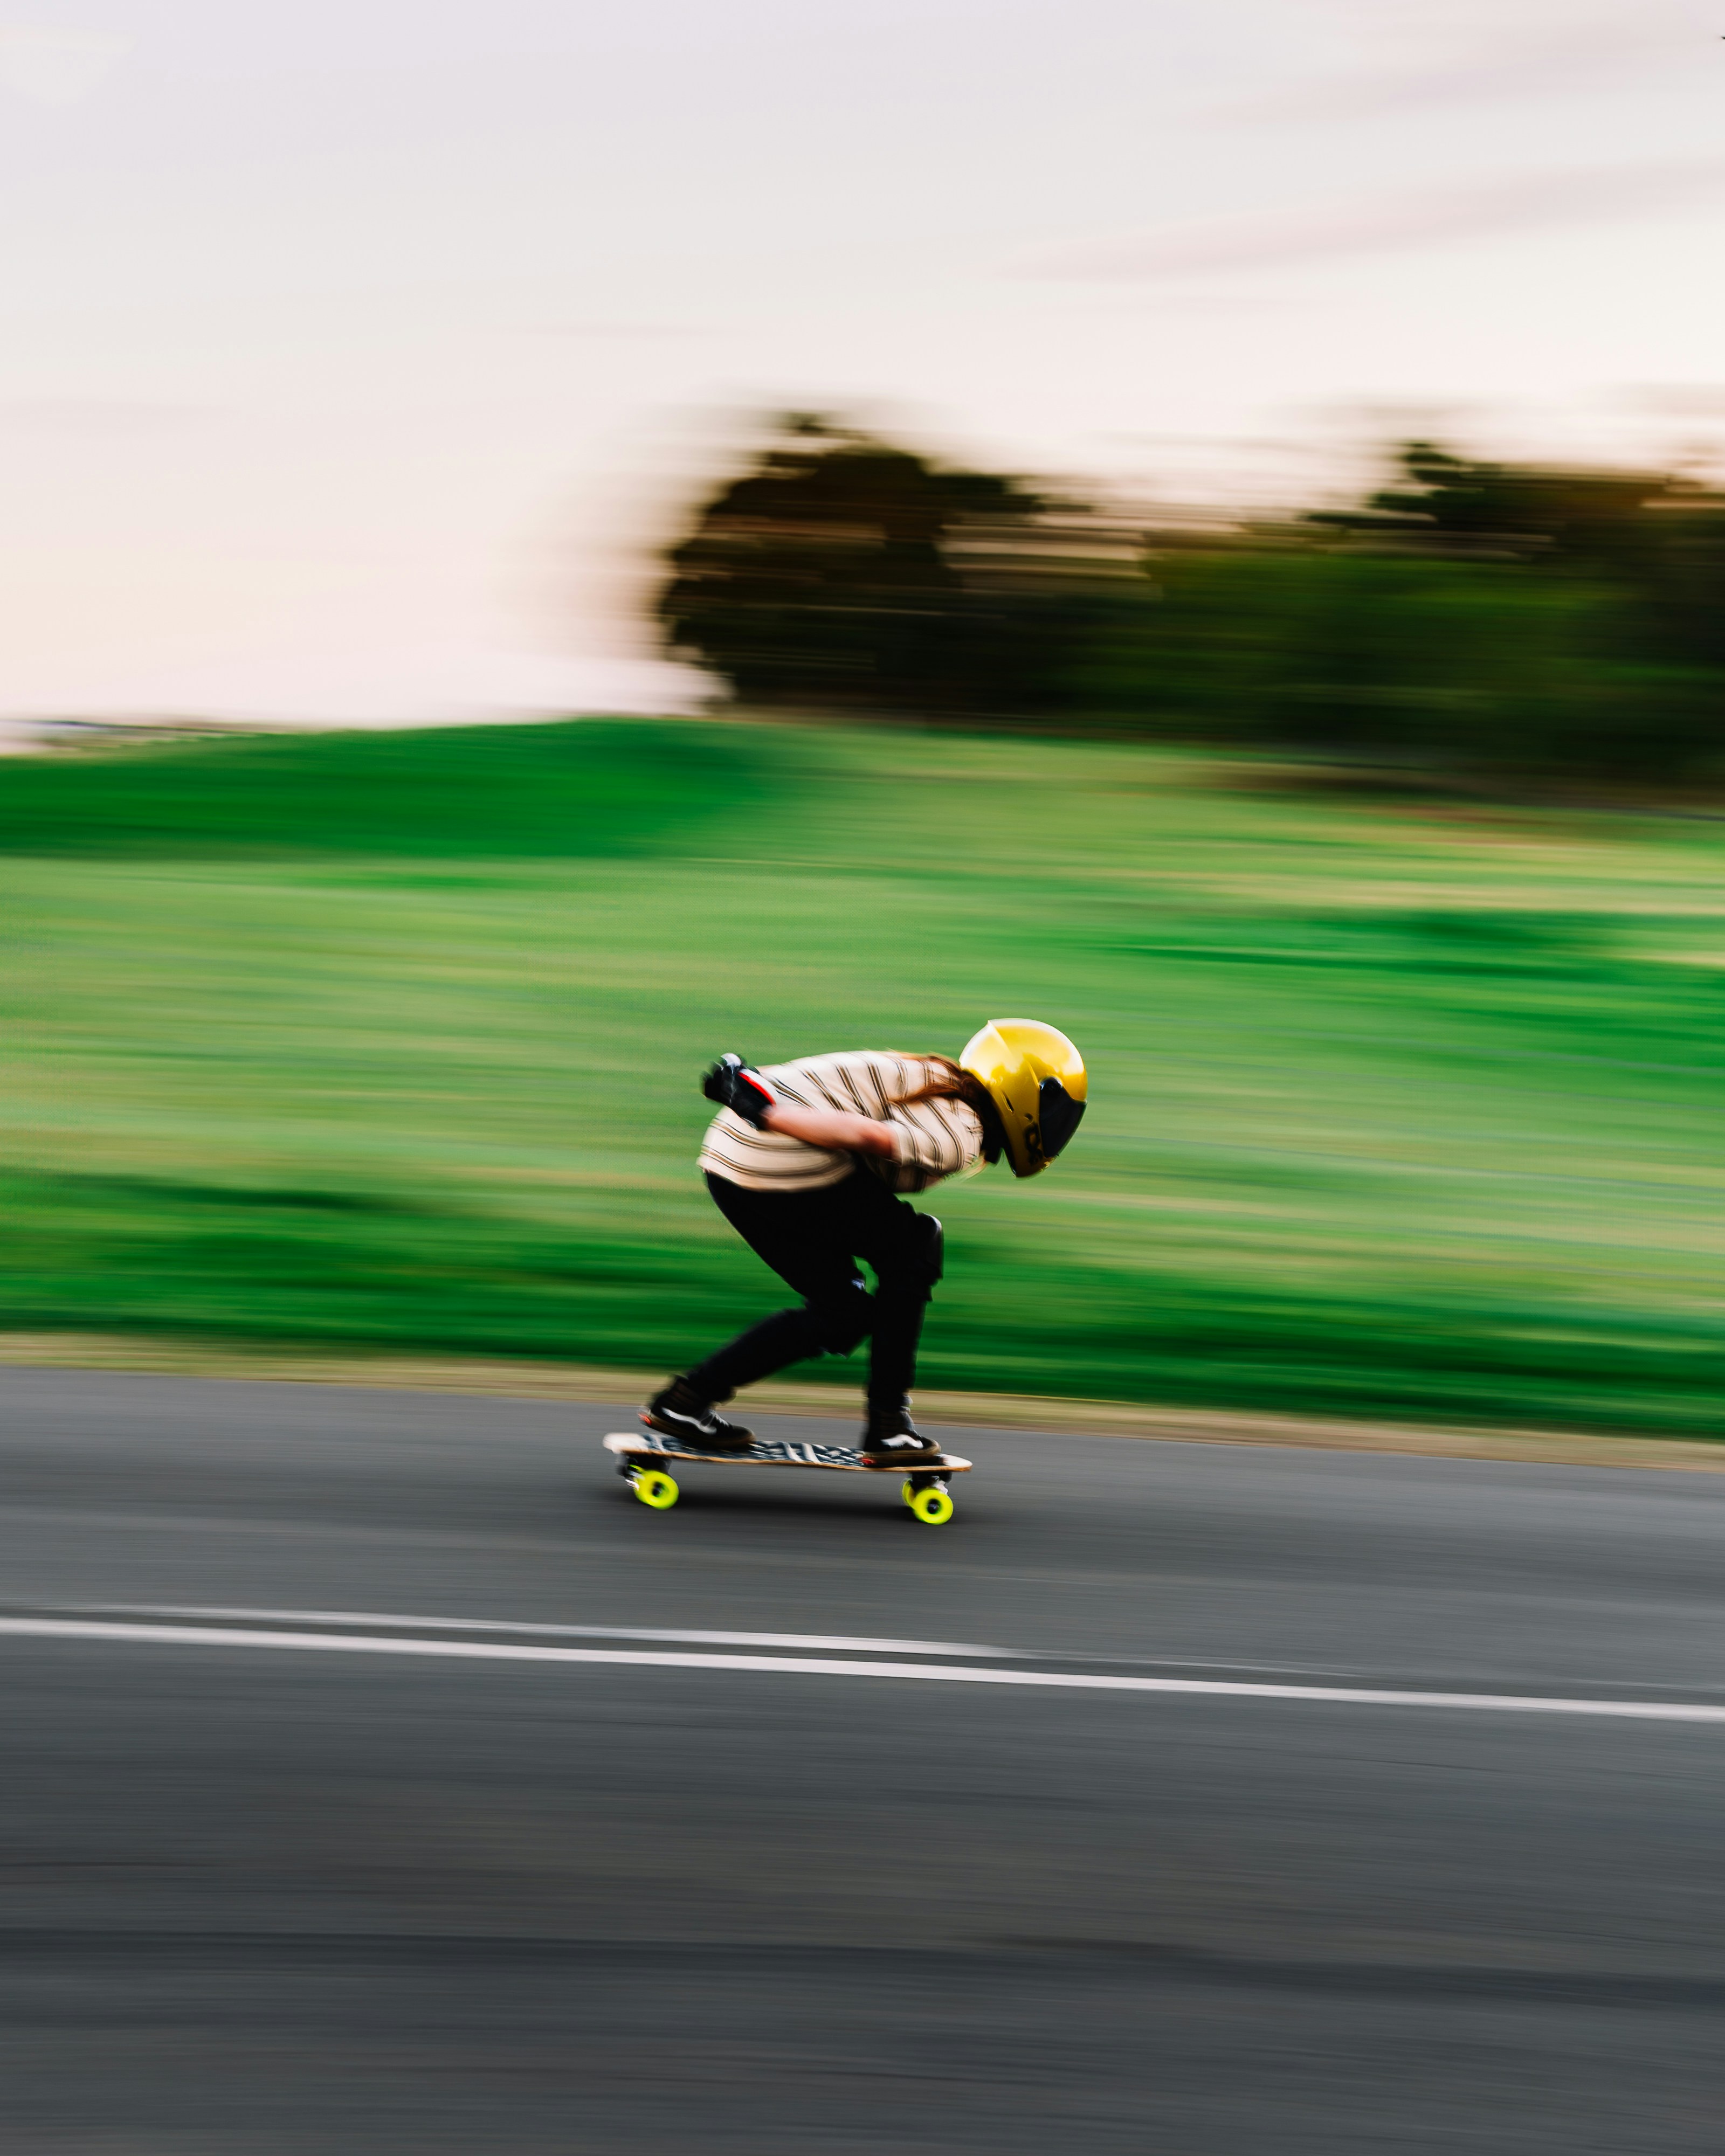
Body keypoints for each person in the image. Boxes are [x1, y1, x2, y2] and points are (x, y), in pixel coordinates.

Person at [643, 1020, 1087, 1466]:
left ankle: (683, 1403)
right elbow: (867, 1135)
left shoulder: (937, 1079)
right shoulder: (960, 1130)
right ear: (1033, 1095)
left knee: (844, 1313)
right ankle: (890, 1427)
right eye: (1057, 1110)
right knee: (916, 1246)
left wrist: (754, 1103)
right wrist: (765, 1111)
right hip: (783, 1160)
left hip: (731, 1164)